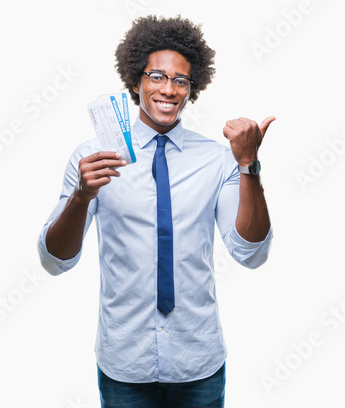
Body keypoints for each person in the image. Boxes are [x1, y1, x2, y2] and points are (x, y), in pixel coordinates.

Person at [38, 15, 274, 408]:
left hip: (198, 362)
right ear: (136, 81)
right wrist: (81, 197)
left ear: (192, 89)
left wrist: (248, 165)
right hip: (125, 363)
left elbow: (252, 253)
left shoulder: (218, 160)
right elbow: (54, 261)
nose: (169, 89)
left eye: (180, 80)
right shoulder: (92, 158)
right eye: (156, 76)